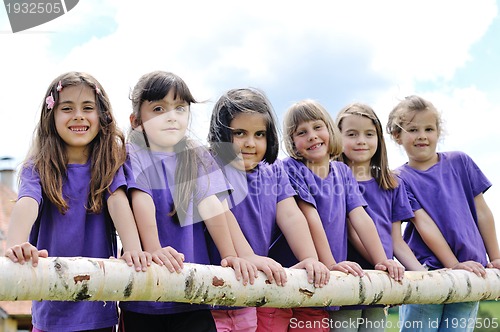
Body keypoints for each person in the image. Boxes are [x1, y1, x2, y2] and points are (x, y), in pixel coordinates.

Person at [4, 71, 151, 332]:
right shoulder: (37, 167)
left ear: (102, 115)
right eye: (67, 108)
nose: (78, 115)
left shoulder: (107, 164)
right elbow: (27, 202)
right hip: (50, 312)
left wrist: (133, 249)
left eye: (87, 108)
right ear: (51, 116)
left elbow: (117, 201)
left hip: (98, 310)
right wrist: (16, 245)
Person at [119, 71, 257, 332]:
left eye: (180, 108)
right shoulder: (133, 153)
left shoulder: (196, 155)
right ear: (136, 121)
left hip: (194, 293)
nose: (171, 116)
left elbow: (214, 206)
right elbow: (141, 197)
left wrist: (231, 255)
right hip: (144, 292)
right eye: (158, 108)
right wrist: (154, 249)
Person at [271, 99, 405, 331]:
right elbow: (309, 216)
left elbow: (359, 216)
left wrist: (381, 260)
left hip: (325, 277)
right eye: (302, 132)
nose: (312, 136)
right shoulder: (291, 168)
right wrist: (330, 263)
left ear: (330, 130)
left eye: (317, 127)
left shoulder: (342, 171)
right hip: (297, 272)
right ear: (292, 142)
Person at [207, 88, 330, 332]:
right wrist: (247, 256)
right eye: (239, 133)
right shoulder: (212, 164)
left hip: (251, 288)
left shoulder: (273, 171)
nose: (250, 143)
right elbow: (221, 213)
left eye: (259, 134)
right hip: (213, 288)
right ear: (221, 133)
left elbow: (291, 215)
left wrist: (310, 258)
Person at [386, 95, 500, 332]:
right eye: (413, 129)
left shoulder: (461, 162)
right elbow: (423, 225)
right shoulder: (398, 179)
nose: (422, 136)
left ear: (438, 132)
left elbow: (483, 212)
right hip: (430, 273)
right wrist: (454, 265)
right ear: (397, 136)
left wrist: (495, 256)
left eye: (429, 129)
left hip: (473, 270)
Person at [335, 102, 426, 331]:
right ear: (337, 138)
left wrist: (420, 273)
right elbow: (352, 230)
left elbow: (397, 241)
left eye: (369, 134)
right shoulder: (334, 181)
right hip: (348, 279)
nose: (361, 141)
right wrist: (383, 264)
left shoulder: (392, 184)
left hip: (382, 281)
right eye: (352, 134)